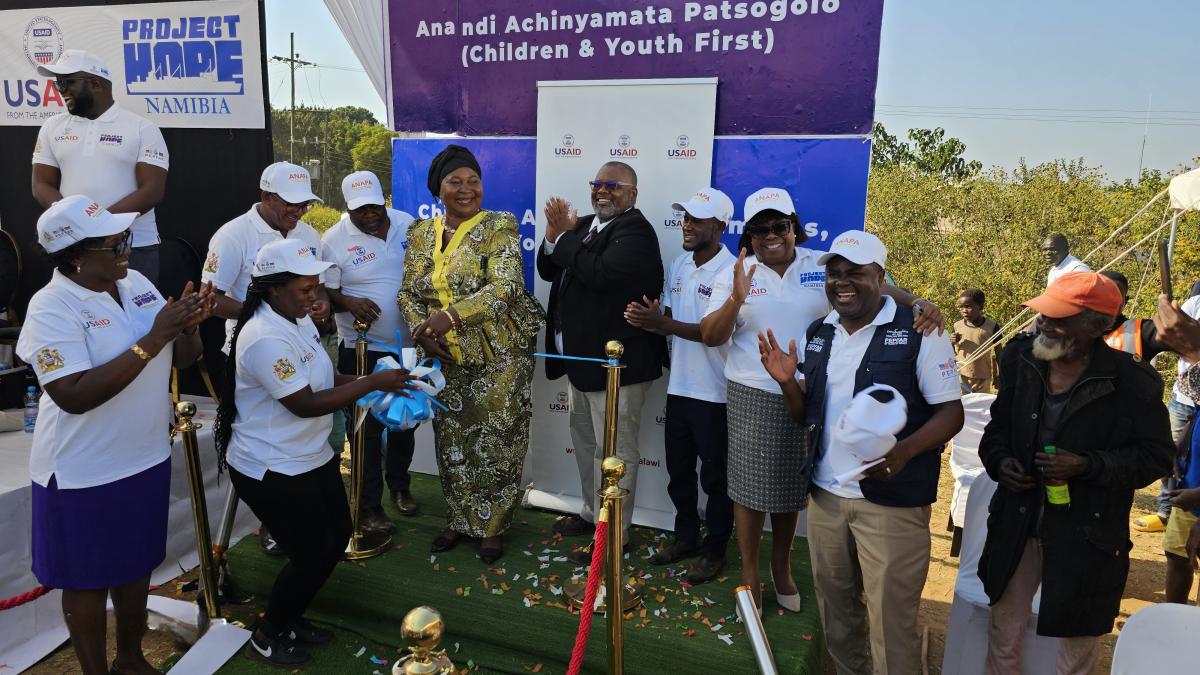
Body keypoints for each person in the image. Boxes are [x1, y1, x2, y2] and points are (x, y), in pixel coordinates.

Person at [700, 191, 944, 615]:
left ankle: (781, 567)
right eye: (760, 229)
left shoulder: (822, 265)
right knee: (750, 490)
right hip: (753, 391)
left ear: (795, 226)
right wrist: (737, 296)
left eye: (780, 226)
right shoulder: (736, 271)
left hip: (815, 390)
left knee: (795, 486)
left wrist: (920, 303)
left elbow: (879, 286)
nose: (771, 236)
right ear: (749, 234)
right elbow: (710, 336)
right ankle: (751, 575)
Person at [16, 195, 212, 675]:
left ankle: (130, 656)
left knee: (135, 565)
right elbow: (73, 395)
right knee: (86, 581)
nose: (128, 246)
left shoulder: (137, 282)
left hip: (143, 457)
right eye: (114, 242)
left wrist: (186, 327)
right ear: (76, 256)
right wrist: (156, 337)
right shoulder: (50, 307)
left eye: (125, 237)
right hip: (83, 470)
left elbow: (184, 360)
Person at [758, 230, 964, 672]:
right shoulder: (819, 333)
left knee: (891, 626)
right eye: (834, 273)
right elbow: (803, 416)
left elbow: (951, 415)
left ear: (881, 277)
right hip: (828, 500)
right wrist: (786, 383)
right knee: (838, 617)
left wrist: (904, 452)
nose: (842, 282)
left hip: (892, 504)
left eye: (855, 273)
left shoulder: (919, 331)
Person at [214, 240, 415, 667]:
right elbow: (302, 402)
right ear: (272, 290)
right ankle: (268, 633)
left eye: (316, 287)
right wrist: (372, 385)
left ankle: (289, 618)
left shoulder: (297, 318)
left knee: (336, 536)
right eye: (305, 290)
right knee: (309, 555)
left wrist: (375, 376)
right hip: (272, 466)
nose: (315, 297)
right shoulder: (263, 336)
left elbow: (322, 378)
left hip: (310, 455)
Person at [978, 272, 1173, 674]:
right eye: (1043, 315)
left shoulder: (1133, 381)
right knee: (1004, 631)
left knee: (1077, 648)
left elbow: (1156, 458)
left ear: (1099, 325)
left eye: (1059, 318)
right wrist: (1001, 463)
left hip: (1090, 534)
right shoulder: (1020, 360)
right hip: (1018, 522)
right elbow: (996, 431)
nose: (1045, 325)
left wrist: (1087, 465)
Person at [399, 145, 543, 564]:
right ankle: (461, 519)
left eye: (473, 181)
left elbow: (506, 288)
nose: (466, 189)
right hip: (444, 353)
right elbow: (408, 292)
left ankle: (492, 526)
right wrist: (421, 331)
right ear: (438, 189)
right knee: (452, 436)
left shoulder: (499, 225)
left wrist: (449, 317)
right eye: (455, 182)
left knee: (498, 436)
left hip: (501, 351)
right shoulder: (421, 234)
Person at [538, 161, 666, 557]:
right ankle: (594, 514)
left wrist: (566, 238)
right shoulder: (584, 227)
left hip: (617, 371)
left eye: (613, 185)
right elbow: (547, 268)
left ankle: (614, 537)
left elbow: (601, 273)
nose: (602, 191)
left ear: (633, 194)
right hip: (582, 364)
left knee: (615, 454)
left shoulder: (636, 231)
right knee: (587, 443)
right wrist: (552, 236)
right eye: (597, 184)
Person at [202, 162, 331, 554]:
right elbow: (210, 298)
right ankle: (271, 522)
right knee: (260, 440)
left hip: (302, 345)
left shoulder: (308, 233)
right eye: (290, 204)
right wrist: (263, 314)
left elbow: (316, 287)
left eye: (304, 204)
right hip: (249, 354)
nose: (298, 212)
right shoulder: (233, 235)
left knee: (299, 432)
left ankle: (292, 518)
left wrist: (319, 304)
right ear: (266, 197)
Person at [624, 187, 736, 583]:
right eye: (685, 217)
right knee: (680, 471)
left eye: (697, 219)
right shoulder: (680, 265)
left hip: (717, 393)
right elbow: (674, 315)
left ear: (719, 227)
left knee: (716, 478)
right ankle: (686, 535)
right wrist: (655, 315)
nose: (687, 225)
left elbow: (711, 332)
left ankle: (716, 546)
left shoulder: (732, 271)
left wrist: (661, 324)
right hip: (681, 388)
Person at [320, 171, 418, 531]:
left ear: (384, 200)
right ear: (349, 208)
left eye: (375, 206)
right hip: (362, 351)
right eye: (361, 210)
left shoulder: (408, 224)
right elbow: (323, 292)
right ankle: (369, 506)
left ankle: (401, 488)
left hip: (408, 347)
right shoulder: (332, 240)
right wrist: (348, 300)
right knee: (365, 432)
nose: (370, 215)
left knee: (405, 424)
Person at [31, 50, 169, 284]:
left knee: (138, 319)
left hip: (133, 246)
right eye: (57, 84)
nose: (60, 89)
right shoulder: (52, 126)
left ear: (95, 83)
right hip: (75, 247)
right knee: (77, 318)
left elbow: (152, 191)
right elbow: (41, 184)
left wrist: (96, 224)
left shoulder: (141, 128)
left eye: (66, 82)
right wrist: (74, 224)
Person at [951, 288, 1000, 393]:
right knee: (963, 406)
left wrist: (1000, 375)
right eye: (961, 307)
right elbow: (950, 352)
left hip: (983, 377)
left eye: (968, 306)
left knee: (981, 406)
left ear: (981, 307)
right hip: (961, 376)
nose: (964, 310)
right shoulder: (957, 326)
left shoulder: (992, 327)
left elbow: (999, 353)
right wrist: (952, 341)